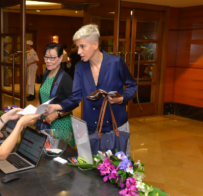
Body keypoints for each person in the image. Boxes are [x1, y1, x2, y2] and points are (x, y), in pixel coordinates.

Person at [45, 24, 137, 155]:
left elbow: (132, 85)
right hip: (90, 129)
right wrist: (56, 106)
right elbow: (75, 98)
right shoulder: (79, 68)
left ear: (95, 45)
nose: (78, 52)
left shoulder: (116, 62)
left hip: (116, 126)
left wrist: (122, 98)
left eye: (82, 46)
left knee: (117, 171)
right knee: (90, 170)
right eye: (77, 47)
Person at [37, 43, 75, 146]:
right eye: (46, 57)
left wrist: (55, 114)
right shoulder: (46, 74)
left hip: (61, 125)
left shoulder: (65, 78)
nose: (48, 61)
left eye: (52, 58)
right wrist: (34, 113)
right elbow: (42, 98)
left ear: (60, 58)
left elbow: (72, 104)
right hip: (46, 123)